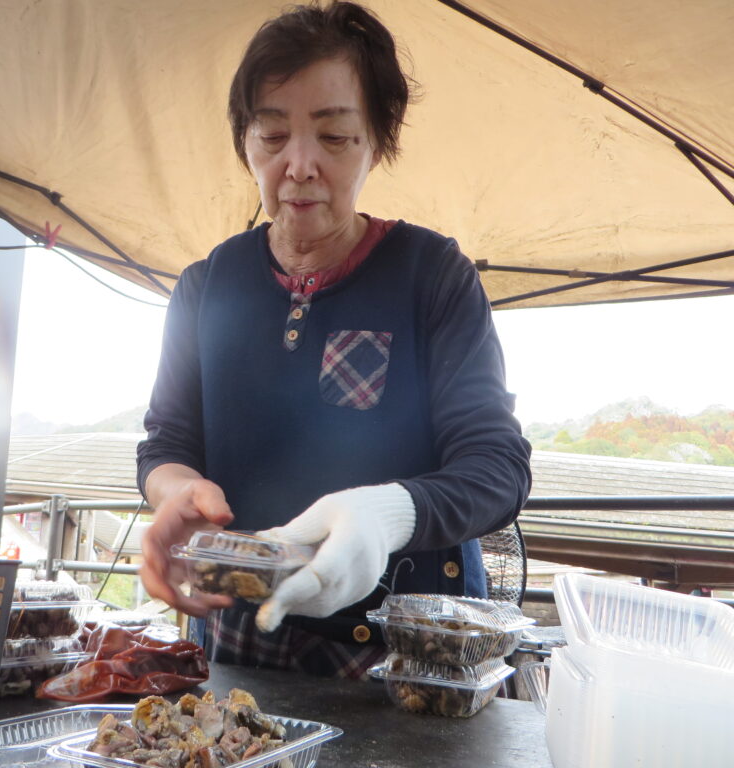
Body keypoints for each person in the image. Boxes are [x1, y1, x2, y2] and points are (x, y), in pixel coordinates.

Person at [137, 1, 531, 678]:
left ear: (378, 140)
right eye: (271, 133)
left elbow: (497, 468)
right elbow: (166, 445)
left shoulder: (432, 276)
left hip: (408, 652)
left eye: (335, 137)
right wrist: (177, 492)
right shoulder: (207, 286)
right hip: (245, 634)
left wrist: (384, 515)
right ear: (245, 142)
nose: (299, 165)